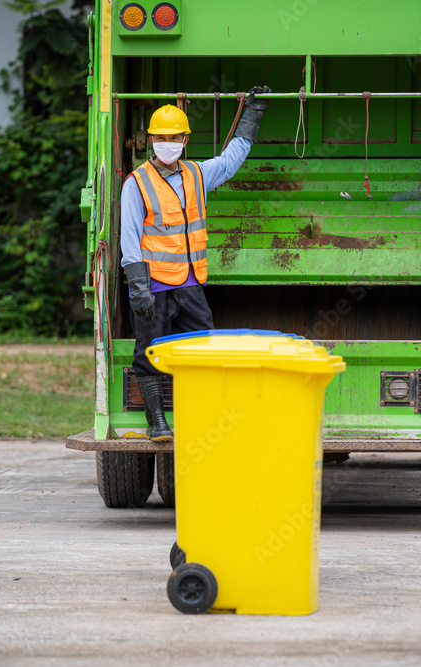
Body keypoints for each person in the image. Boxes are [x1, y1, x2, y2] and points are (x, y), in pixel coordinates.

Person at [120, 85, 271, 441]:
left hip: (189, 284)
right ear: (150, 141)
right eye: (161, 137)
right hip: (153, 287)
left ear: (185, 140)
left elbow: (231, 160)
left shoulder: (197, 175)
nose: (167, 143)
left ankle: (202, 416)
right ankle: (157, 422)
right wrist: (138, 289)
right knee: (149, 354)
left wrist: (253, 115)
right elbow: (129, 238)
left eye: (174, 137)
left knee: (204, 348)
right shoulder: (136, 183)